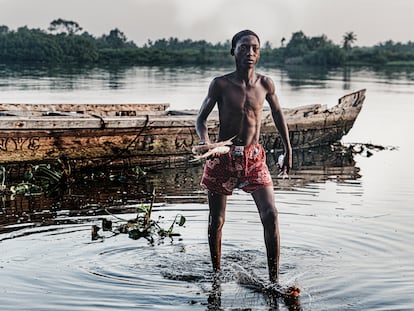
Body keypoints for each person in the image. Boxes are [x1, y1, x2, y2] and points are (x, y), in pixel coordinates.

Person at [195, 29, 292, 283]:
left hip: (254, 158)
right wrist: (206, 143)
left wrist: (288, 148)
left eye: (254, 48)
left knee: (270, 214)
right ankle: (216, 275)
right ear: (233, 51)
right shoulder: (221, 84)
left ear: (259, 53)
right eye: (244, 48)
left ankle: (274, 280)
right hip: (222, 157)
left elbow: (279, 114)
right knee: (217, 219)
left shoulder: (265, 84)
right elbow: (201, 119)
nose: (250, 53)